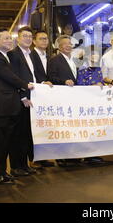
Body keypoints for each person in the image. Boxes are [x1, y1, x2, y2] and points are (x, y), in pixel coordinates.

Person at [0, 28, 33, 185]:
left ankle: (1, 172)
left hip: (8, 107)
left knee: (4, 143)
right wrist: (26, 85)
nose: (9, 40)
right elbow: (10, 77)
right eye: (5, 38)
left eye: (9, 38)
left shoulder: (4, 56)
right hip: (0, 108)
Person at [8, 26, 41, 175]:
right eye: (24, 36)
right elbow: (14, 77)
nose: (28, 38)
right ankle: (16, 167)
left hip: (33, 98)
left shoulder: (32, 54)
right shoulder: (13, 54)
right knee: (18, 134)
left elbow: (35, 75)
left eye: (29, 36)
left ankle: (25, 165)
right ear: (18, 39)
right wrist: (22, 96)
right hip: (22, 99)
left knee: (27, 133)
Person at [48, 35, 80, 166]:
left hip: (74, 98)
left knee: (73, 128)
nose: (68, 46)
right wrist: (64, 81)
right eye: (65, 44)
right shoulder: (55, 60)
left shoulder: (75, 60)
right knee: (63, 128)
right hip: (62, 98)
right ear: (60, 47)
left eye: (70, 44)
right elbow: (51, 77)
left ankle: (73, 155)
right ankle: (61, 157)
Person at [30, 31, 55, 168]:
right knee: (33, 128)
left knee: (44, 127)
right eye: (41, 39)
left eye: (46, 39)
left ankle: (42, 157)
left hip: (47, 98)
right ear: (34, 41)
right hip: (34, 96)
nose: (45, 41)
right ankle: (33, 158)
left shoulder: (49, 56)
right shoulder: (30, 55)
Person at [76, 46, 105, 164]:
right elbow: (79, 84)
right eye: (93, 54)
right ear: (87, 55)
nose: (95, 56)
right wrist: (93, 86)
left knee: (96, 127)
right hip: (85, 103)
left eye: (97, 54)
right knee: (86, 128)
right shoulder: (82, 68)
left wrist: (103, 85)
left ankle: (94, 154)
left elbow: (101, 81)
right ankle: (86, 154)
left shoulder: (98, 68)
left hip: (97, 102)